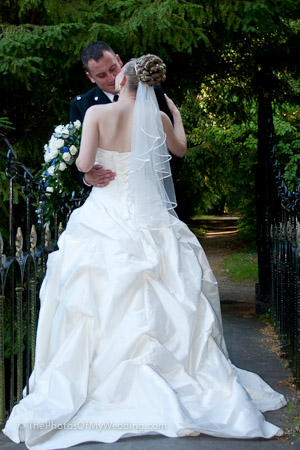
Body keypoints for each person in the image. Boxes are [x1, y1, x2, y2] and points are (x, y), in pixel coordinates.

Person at [3, 55, 286, 449]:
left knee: (90, 296)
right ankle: (174, 376)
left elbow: (85, 163)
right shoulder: (160, 119)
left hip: (106, 215)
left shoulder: (97, 117)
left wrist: (89, 168)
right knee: (171, 290)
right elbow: (180, 150)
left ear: (121, 79)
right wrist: (178, 116)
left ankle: (94, 381)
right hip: (152, 220)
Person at [70, 41, 182, 191]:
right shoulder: (83, 105)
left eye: (113, 69)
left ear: (119, 60)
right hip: (106, 196)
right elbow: (73, 153)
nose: (110, 78)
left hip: (150, 190)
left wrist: (161, 179)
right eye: (102, 75)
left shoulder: (152, 93)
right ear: (90, 77)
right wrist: (85, 178)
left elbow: (172, 149)